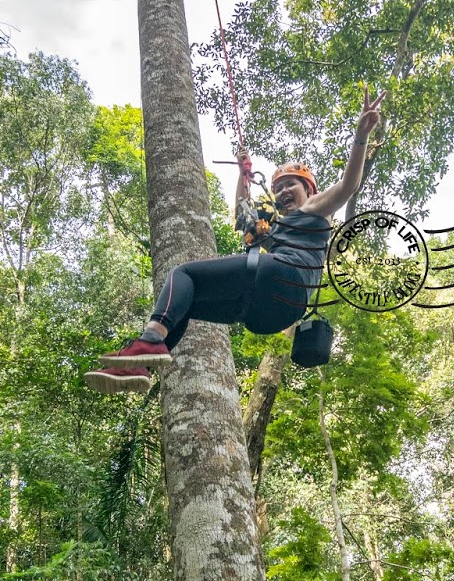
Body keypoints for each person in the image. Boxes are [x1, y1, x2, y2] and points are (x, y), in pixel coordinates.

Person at [83, 88, 385, 394]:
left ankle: (147, 341)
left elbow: (349, 185)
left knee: (184, 274)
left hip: (283, 276)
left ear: (309, 189)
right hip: (270, 310)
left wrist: (360, 137)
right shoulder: (277, 227)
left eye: (291, 184)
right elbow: (243, 215)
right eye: (278, 187)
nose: (283, 192)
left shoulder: (314, 208)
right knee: (185, 304)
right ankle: (140, 367)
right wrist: (244, 173)